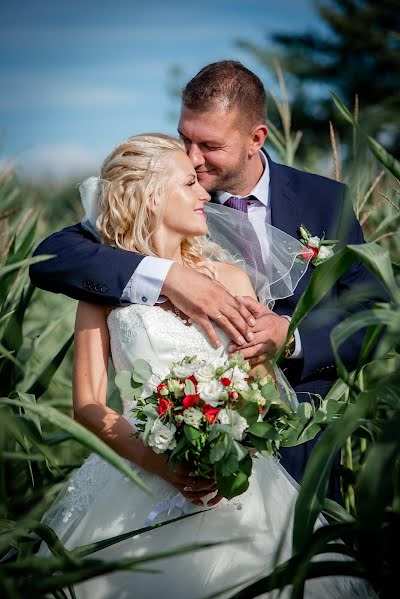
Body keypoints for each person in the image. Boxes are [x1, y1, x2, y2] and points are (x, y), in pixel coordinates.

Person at [39, 134, 368, 599]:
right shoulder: (101, 291)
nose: (203, 195)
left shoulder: (232, 279)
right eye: (189, 183)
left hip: (239, 482)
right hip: (136, 472)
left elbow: (260, 386)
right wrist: (164, 465)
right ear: (152, 197)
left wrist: (235, 432)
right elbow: (88, 405)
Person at [29, 61, 376, 501]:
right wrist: (168, 277)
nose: (193, 158)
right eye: (185, 138)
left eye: (209, 145)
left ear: (256, 139)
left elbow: (376, 319)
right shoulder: (169, 195)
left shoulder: (327, 202)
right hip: (158, 464)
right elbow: (53, 256)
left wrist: (293, 338)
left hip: (298, 449)